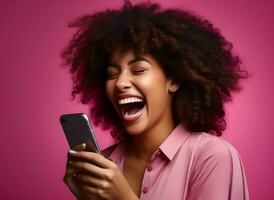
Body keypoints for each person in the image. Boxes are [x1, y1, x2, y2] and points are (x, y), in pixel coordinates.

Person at [61, 1, 249, 200]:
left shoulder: (212, 157)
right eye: (112, 74)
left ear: (174, 79)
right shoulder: (104, 164)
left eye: (139, 70)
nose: (120, 83)